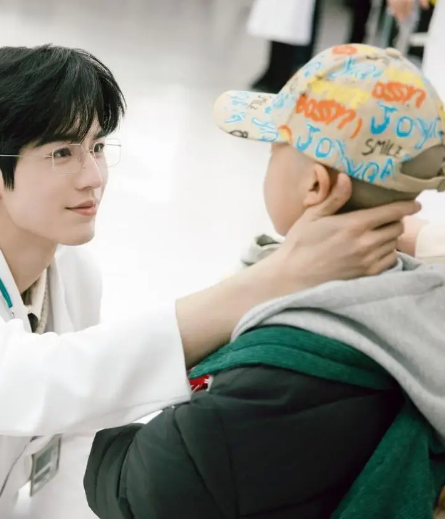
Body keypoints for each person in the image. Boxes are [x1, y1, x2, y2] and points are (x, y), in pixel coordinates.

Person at [0, 45, 421, 519]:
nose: (93, 177)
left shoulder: (73, 274)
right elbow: (33, 383)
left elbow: (66, 446)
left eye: (96, 146)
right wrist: (275, 278)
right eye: (62, 153)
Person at [84, 44, 445, 519]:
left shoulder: (288, 369)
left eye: (276, 145)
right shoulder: (424, 308)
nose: (268, 157)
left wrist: (104, 442)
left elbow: (139, 486)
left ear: (315, 186)